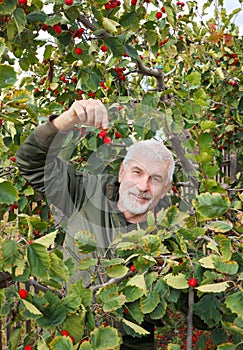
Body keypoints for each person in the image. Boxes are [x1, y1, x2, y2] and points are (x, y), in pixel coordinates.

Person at [16, 99, 175, 349]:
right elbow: (30, 162)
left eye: (155, 179)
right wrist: (67, 119)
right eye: (137, 172)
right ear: (122, 172)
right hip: (71, 336)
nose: (143, 186)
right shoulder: (84, 192)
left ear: (165, 189)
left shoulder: (171, 236)